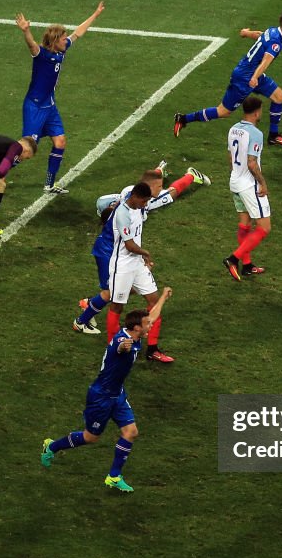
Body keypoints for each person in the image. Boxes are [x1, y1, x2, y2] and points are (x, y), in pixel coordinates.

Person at [41, 288, 173, 493]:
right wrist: (124, 347)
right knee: (90, 438)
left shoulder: (135, 334)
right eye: (147, 324)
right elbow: (120, 347)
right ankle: (52, 447)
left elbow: (153, 316)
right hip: (100, 396)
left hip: (117, 394)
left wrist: (163, 296)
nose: (151, 325)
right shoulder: (123, 341)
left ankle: (113, 476)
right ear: (137, 327)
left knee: (131, 432)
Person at [74, 161, 210, 336]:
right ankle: (83, 319)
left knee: (125, 290)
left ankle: (94, 303)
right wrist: (145, 254)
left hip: (118, 250)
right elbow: (167, 194)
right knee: (111, 294)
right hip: (109, 251)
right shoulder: (142, 203)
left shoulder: (130, 192)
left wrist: (158, 172)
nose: (160, 189)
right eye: (159, 186)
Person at [174, 10, 282, 146]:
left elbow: (260, 36)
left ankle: (273, 136)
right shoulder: (277, 43)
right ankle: (183, 119)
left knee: (279, 96)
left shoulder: (273, 31)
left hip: (251, 73)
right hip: (245, 77)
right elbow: (265, 61)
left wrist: (246, 33)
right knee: (223, 111)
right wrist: (254, 77)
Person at [16, 1, 105, 194]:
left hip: (50, 106)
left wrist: (95, 14)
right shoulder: (42, 55)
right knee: (25, 151)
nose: (67, 40)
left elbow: (78, 33)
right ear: (55, 41)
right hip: (35, 108)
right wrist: (25, 31)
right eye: (63, 38)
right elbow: (31, 45)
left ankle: (49, 185)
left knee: (60, 142)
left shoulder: (61, 51)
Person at [99, 182, 178, 362]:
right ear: (136, 197)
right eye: (144, 201)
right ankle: (113, 347)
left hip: (137, 264)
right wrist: (146, 253)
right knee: (117, 306)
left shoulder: (138, 208)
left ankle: (152, 349)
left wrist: (141, 258)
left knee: (154, 301)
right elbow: (129, 244)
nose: (145, 205)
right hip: (123, 266)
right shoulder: (122, 213)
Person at [221, 96, 270, 281]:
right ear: (257, 112)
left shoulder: (233, 129)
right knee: (264, 228)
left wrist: (236, 175)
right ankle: (233, 259)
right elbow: (251, 163)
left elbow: (230, 156)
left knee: (245, 224)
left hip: (235, 181)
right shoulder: (255, 134)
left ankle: (247, 266)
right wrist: (262, 183)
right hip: (249, 185)